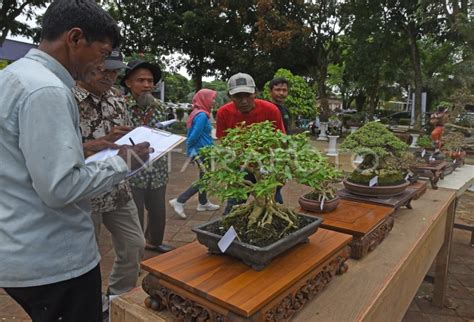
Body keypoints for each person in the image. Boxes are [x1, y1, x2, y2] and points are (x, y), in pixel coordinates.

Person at [0, 1, 150, 322]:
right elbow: (61, 186)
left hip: (21, 245)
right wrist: (125, 160)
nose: (101, 64)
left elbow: (23, 153)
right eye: (101, 52)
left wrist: (86, 147)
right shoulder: (48, 90)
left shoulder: (15, 77)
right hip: (54, 262)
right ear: (75, 38)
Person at [73, 50, 145, 308]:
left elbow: (123, 138)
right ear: (88, 65)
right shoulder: (66, 98)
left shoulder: (116, 100)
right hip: (84, 192)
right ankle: (90, 305)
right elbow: (53, 151)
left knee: (134, 244)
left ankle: (117, 297)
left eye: (115, 71)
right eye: (104, 69)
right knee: (85, 257)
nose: (110, 76)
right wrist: (91, 145)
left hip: (117, 188)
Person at [122, 60, 174, 253]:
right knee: (133, 214)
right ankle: (133, 253)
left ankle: (154, 242)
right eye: (141, 80)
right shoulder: (120, 107)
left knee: (158, 211)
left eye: (150, 81)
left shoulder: (160, 107)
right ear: (128, 83)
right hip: (131, 170)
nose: (147, 85)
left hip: (158, 168)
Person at [216, 72, 285, 214]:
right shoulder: (223, 113)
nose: (244, 100)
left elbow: (280, 139)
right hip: (241, 165)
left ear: (255, 93)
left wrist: (273, 164)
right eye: (238, 96)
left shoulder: (271, 110)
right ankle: (226, 229)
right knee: (234, 204)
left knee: (273, 202)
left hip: (267, 164)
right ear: (230, 96)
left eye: (247, 95)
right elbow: (225, 142)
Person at [169, 89, 220, 218]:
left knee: (204, 176)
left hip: (204, 150)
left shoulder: (198, 113)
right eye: (212, 98)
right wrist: (191, 151)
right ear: (205, 99)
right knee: (205, 178)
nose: (214, 101)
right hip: (202, 151)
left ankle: (203, 203)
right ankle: (180, 200)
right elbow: (193, 136)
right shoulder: (202, 115)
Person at [268, 77, 291, 203]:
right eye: (277, 89)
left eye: (284, 90)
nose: (281, 93)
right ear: (270, 91)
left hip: (281, 154)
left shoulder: (285, 110)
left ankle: (276, 208)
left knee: (277, 186)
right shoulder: (268, 108)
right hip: (269, 154)